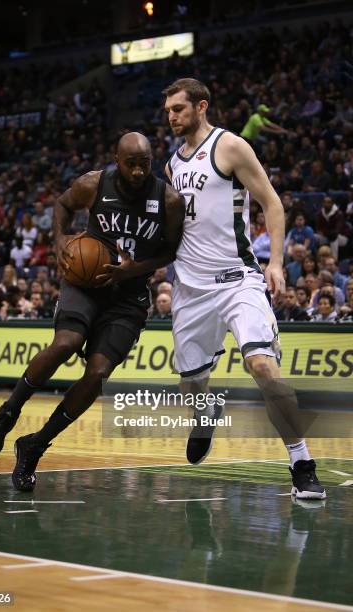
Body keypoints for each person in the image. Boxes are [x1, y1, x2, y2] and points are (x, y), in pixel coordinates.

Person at [0, 132, 185, 492]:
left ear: (151, 162)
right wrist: (59, 238)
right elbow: (62, 204)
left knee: (98, 373)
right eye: (131, 163)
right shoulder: (94, 183)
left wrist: (132, 270)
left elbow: (170, 252)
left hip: (129, 297)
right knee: (66, 343)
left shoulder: (168, 200)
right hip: (85, 284)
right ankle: (6, 413)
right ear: (117, 160)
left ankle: (35, 444)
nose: (138, 171)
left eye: (145, 163)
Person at [163, 78, 325, 499]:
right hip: (190, 291)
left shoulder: (230, 147)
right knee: (192, 383)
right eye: (167, 111)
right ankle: (206, 413)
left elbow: (271, 202)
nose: (171, 116)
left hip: (238, 280)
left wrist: (275, 260)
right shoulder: (170, 167)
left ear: (201, 106)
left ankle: (302, 463)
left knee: (261, 365)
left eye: (178, 109)